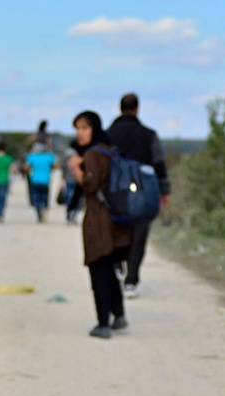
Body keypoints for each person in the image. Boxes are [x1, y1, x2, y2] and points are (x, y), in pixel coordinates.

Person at [68, 111, 131, 338]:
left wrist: (75, 169)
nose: (80, 133)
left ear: (94, 128)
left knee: (99, 271)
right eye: (77, 128)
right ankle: (119, 314)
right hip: (115, 220)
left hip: (99, 220)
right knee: (110, 269)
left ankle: (103, 322)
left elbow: (90, 186)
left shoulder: (93, 155)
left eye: (84, 128)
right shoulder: (109, 151)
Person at [107, 93, 170, 300]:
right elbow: (159, 163)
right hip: (142, 191)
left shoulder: (108, 134)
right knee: (139, 233)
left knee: (115, 230)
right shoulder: (149, 135)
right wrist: (164, 191)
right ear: (137, 109)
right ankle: (131, 280)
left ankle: (116, 266)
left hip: (114, 192)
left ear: (120, 108)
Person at [22, 142, 57, 223]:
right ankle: (44, 210)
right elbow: (55, 166)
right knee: (45, 197)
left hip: (35, 180)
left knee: (36, 197)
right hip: (45, 180)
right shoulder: (49, 156)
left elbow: (26, 167)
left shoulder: (31, 157)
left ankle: (38, 212)